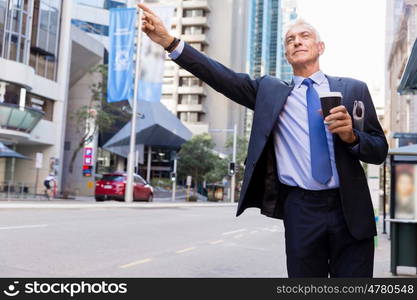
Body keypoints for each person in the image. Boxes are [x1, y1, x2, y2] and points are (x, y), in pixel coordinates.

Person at [138, 4, 388, 277]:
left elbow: (378, 150)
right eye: (290, 40)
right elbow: (220, 76)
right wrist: (169, 42)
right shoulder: (269, 92)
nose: (297, 41)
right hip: (301, 210)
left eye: (304, 36)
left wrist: (351, 136)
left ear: (320, 47)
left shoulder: (353, 89)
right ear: (286, 54)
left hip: (350, 208)